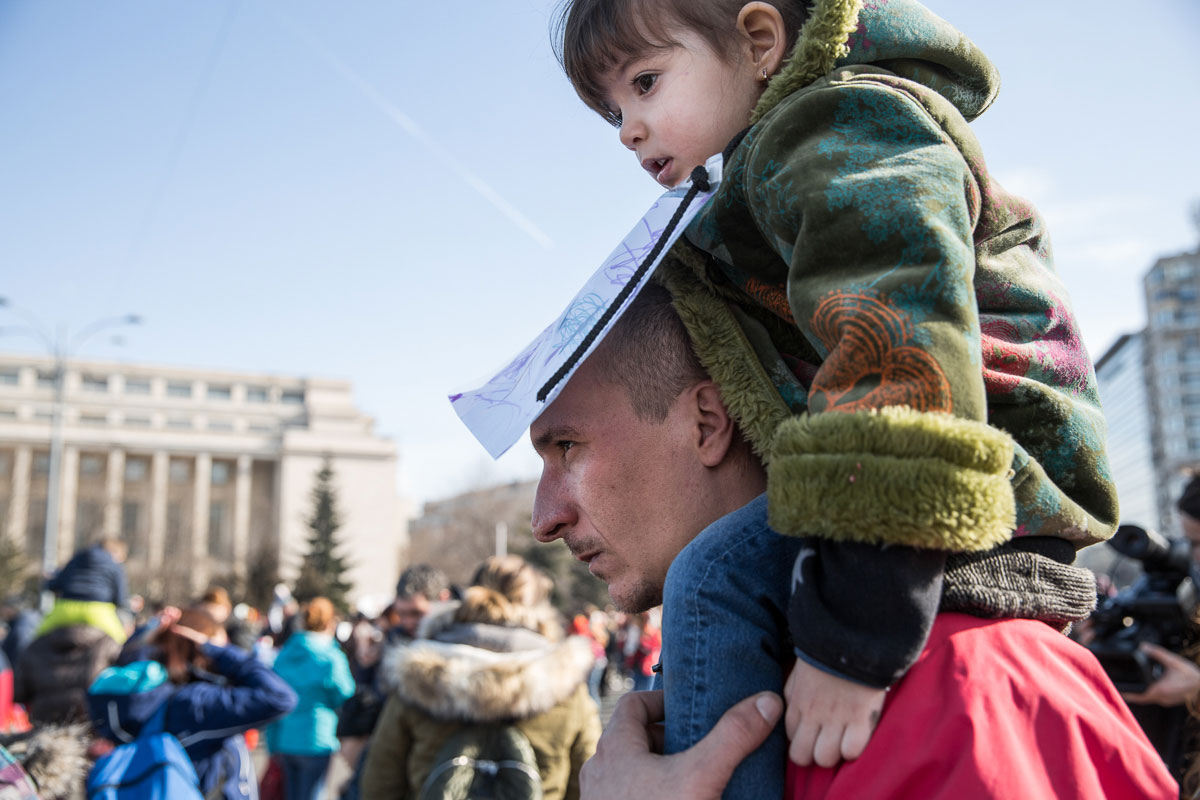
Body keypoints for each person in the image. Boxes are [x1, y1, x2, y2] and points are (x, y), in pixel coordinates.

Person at [551, 0, 1121, 783]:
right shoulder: (788, 155)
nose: (628, 129)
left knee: (715, 579)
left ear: (758, 42)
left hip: (986, 471)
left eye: (646, 83)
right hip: (960, 476)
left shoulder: (837, 127)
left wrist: (855, 632)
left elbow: (900, 358)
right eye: (614, 109)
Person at [529, 285, 1176, 797]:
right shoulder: (736, 677)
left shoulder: (964, 690)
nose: (542, 519)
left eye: (567, 448)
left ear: (706, 422)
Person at [360, 555, 600, 800]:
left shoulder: (417, 675)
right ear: (539, 605)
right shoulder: (564, 684)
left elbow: (381, 782)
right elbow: (590, 780)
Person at [88, 606, 297, 800]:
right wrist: (217, 650)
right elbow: (280, 697)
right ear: (199, 650)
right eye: (219, 647)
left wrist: (151, 634)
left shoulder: (130, 693)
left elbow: (134, 658)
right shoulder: (196, 703)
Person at [266, 597, 356, 800]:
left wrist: (272, 744)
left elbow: (274, 698)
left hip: (285, 737)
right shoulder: (331, 656)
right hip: (317, 737)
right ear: (329, 622)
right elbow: (345, 692)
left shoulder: (285, 654)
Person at [39, 536, 130, 645]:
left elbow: (54, 585)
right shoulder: (114, 565)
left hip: (66, 607)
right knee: (118, 642)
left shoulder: (78, 558)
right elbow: (120, 598)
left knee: (38, 639)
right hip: (98, 609)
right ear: (115, 552)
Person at [389, 564, 452, 642]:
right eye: (401, 614)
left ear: (443, 599)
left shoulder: (465, 638)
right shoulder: (394, 637)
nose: (407, 623)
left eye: (416, 613)